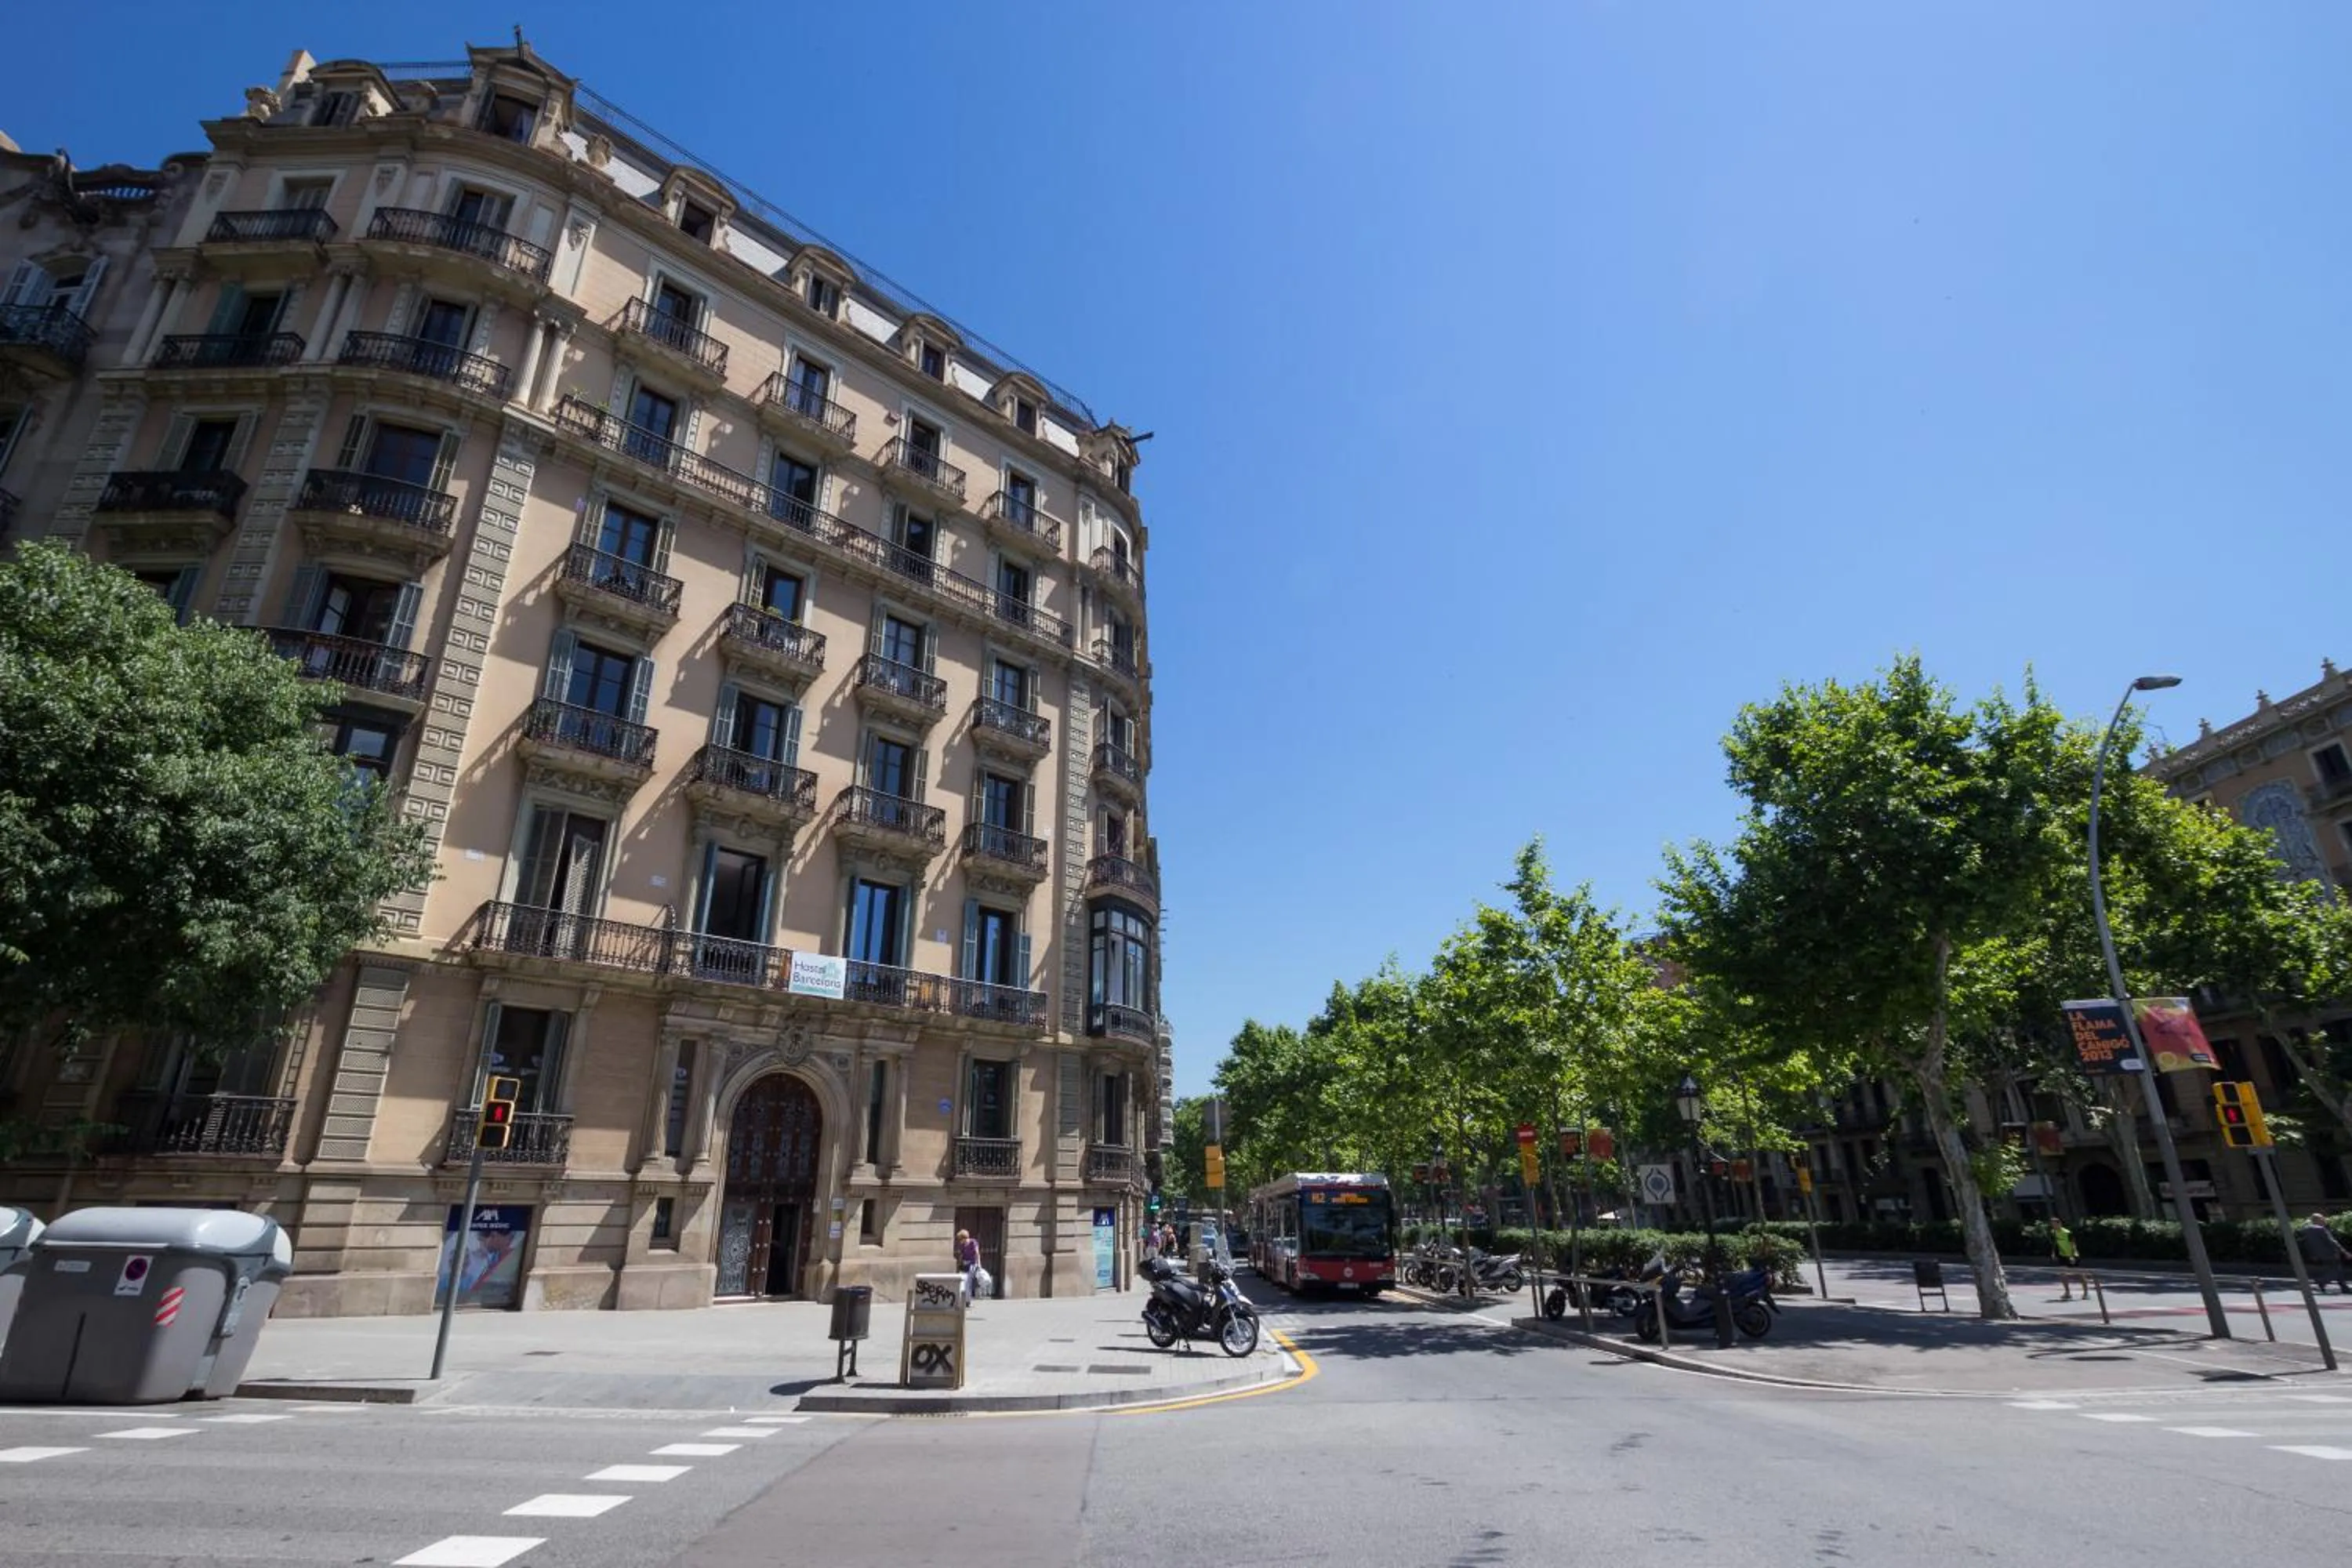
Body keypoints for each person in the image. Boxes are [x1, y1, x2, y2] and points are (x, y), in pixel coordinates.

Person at [2296, 1214, 2350, 1294]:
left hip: (2318, 1254)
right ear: (2317, 1220)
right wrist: (2345, 1252)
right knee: (2337, 1270)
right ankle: (2321, 1281)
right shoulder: (2321, 1229)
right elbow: (2332, 1242)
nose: (2324, 1221)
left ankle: (2344, 1288)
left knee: (2337, 1269)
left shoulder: (2306, 1230)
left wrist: (2313, 1254)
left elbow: (2306, 1244)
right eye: (2322, 1219)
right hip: (2330, 1253)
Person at [2049, 1218, 2089, 1302]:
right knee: (2063, 1274)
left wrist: (2072, 1256)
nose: (2053, 1226)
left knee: (2080, 1275)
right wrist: (2053, 1253)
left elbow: (2073, 1245)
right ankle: (2067, 1293)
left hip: (2072, 1255)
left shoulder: (2067, 1233)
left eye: (2054, 1224)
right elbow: (2055, 1243)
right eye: (2052, 1224)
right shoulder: (2054, 1232)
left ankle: (2086, 1293)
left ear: (2059, 1224)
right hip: (2062, 1255)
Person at [954, 1228, 983, 1301]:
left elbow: (977, 1253)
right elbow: (961, 1255)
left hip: (972, 1265)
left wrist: (979, 1264)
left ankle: (968, 1300)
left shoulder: (973, 1242)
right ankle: (965, 1299)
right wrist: (959, 1264)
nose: (960, 1241)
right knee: (963, 1282)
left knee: (968, 1283)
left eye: (960, 1239)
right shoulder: (963, 1245)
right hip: (964, 1265)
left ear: (963, 1238)